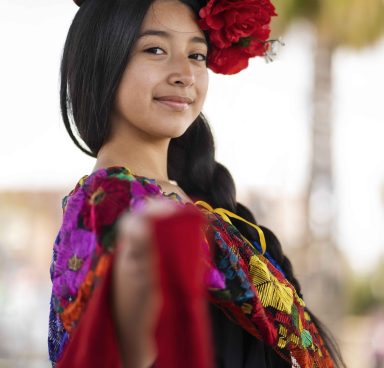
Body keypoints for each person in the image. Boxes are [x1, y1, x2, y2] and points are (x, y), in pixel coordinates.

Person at [48, 0, 346, 367]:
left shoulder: (196, 201)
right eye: (155, 49)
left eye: (197, 55)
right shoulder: (108, 203)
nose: (185, 74)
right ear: (101, 61)